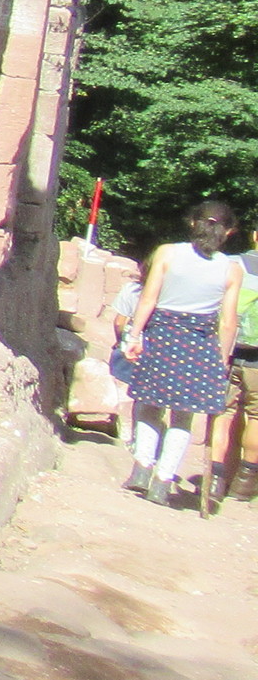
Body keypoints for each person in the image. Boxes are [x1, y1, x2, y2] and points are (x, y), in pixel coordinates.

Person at [117, 200, 244, 498]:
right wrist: (221, 360)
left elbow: (148, 299)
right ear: (229, 231)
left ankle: (142, 466)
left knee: (149, 403)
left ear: (192, 222)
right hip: (200, 344)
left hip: (162, 336)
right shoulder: (231, 269)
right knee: (183, 416)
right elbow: (228, 322)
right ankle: (163, 482)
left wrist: (133, 336)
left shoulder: (167, 253)